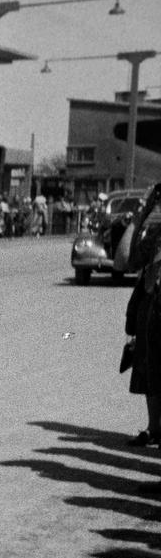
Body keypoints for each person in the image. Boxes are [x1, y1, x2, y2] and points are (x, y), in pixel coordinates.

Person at [121, 184, 161, 446]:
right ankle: (154, 428)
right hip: (153, 305)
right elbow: (125, 259)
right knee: (149, 370)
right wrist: (140, 215)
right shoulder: (157, 234)